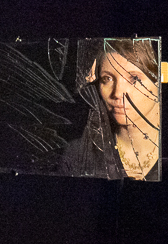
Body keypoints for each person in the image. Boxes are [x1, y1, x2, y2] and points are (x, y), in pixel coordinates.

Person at [59, 38, 161, 180]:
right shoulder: (79, 154)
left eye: (135, 79)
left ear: (158, 83)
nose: (117, 93)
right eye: (107, 79)